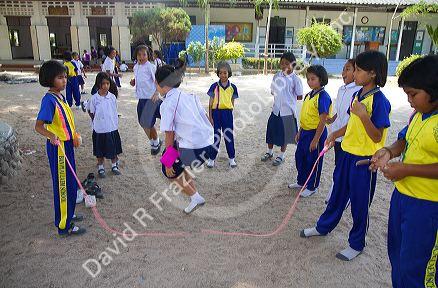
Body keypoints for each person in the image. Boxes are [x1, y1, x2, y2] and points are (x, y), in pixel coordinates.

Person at [301, 51, 391, 262]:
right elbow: (351, 124)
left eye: (359, 70)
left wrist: (363, 115)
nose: (355, 73)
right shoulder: (356, 95)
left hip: (365, 160)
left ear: (372, 74)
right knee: (337, 195)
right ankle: (323, 227)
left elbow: (377, 135)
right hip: (347, 154)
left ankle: (356, 243)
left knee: (360, 203)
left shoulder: (380, 101)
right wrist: (334, 134)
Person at [370, 55, 438, 287]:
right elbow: (404, 140)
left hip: (429, 206)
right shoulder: (418, 115)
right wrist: (388, 152)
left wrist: (406, 169)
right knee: (398, 257)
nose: (409, 101)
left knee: (418, 268)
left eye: (413, 94)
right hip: (403, 198)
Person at [35, 60, 86, 236]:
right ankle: (64, 225)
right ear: (50, 79)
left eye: (65, 77)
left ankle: (69, 213)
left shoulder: (60, 97)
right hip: (58, 148)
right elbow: (39, 126)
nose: (64, 81)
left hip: (67, 145)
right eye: (59, 77)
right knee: (63, 185)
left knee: (71, 182)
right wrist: (51, 136)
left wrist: (73, 136)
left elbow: (64, 122)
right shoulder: (49, 100)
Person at [158, 63, 214, 214]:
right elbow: (207, 119)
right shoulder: (189, 95)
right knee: (175, 160)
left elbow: (169, 134)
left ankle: (195, 196)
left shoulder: (168, 104)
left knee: (167, 166)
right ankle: (195, 197)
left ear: (161, 84)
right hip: (209, 144)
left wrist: (168, 162)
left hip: (195, 148)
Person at [289, 65, 331, 197]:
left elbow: (323, 120)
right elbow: (305, 115)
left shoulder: (323, 97)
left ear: (321, 79)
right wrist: (300, 131)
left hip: (316, 133)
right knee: (300, 157)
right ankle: (302, 181)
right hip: (305, 132)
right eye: (308, 79)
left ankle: (312, 186)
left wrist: (316, 139)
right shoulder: (308, 95)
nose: (309, 81)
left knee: (313, 160)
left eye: (313, 79)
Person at [324, 59, 361, 203]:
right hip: (337, 136)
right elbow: (341, 111)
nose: (343, 72)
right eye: (343, 69)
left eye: (348, 69)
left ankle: (342, 195)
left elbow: (352, 117)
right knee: (338, 165)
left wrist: (336, 133)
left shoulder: (358, 91)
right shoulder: (341, 89)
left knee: (344, 168)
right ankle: (336, 192)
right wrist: (332, 119)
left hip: (347, 137)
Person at [261, 52, 303, 166]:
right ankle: (269, 152)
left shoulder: (295, 79)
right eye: (282, 63)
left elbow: (300, 96)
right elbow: (272, 91)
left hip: (288, 111)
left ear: (293, 65)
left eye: (287, 63)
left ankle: (281, 156)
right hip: (276, 110)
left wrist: (288, 97)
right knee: (271, 132)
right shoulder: (277, 76)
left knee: (285, 135)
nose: (284, 66)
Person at [88, 72, 122, 178]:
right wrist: (96, 121)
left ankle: (114, 165)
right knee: (100, 150)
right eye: (103, 83)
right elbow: (91, 111)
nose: (106, 86)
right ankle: (101, 167)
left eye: (108, 83)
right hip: (99, 129)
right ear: (98, 84)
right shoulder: (94, 98)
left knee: (113, 148)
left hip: (111, 127)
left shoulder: (112, 97)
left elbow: (114, 110)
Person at [130, 45, 162, 155]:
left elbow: (157, 81)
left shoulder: (150, 67)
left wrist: (157, 93)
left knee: (149, 123)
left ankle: (156, 142)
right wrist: (134, 81)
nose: (141, 56)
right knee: (142, 123)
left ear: (148, 55)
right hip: (141, 98)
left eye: (144, 54)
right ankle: (154, 141)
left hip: (150, 99)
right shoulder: (136, 67)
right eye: (139, 54)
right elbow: (138, 78)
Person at [206, 61, 238, 168]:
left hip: (227, 113)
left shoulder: (233, 87)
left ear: (229, 73)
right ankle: (211, 158)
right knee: (216, 136)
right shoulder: (214, 86)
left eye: (225, 73)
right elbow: (210, 103)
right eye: (221, 73)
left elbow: (232, 102)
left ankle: (232, 158)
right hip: (216, 113)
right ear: (218, 74)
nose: (223, 75)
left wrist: (229, 112)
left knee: (228, 135)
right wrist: (210, 117)